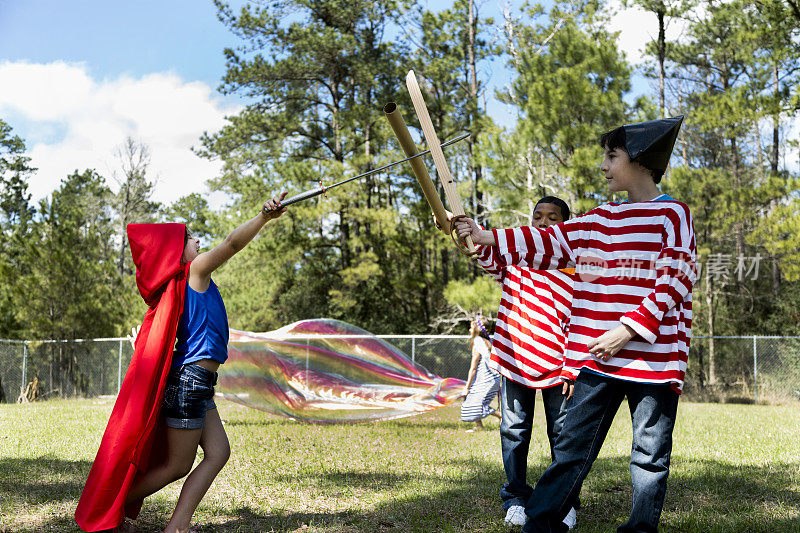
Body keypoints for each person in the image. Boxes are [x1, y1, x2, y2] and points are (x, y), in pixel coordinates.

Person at [454, 116, 696, 533]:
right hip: (598, 360)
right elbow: (547, 241)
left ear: (639, 159)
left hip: (653, 363)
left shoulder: (672, 215)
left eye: (611, 155)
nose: (603, 165)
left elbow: (677, 277)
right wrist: (486, 237)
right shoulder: (599, 220)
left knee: (649, 454)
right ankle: (541, 523)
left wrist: (628, 330)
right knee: (571, 450)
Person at [75, 193, 287, 533]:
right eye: (190, 238)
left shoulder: (183, 284)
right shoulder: (195, 272)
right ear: (177, 251)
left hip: (198, 383)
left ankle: (177, 525)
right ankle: (107, 511)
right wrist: (263, 217)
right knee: (178, 465)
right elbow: (232, 244)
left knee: (218, 453)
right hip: (191, 382)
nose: (198, 240)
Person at [472, 197, 578, 528]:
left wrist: (573, 367)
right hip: (514, 359)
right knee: (514, 429)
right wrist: (460, 228)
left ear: (564, 224)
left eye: (552, 217)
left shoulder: (572, 265)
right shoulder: (515, 258)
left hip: (557, 363)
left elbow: (580, 322)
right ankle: (516, 497)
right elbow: (483, 252)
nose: (543, 222)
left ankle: (563, 502)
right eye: (537, 217)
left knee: (562, 434)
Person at [460, 317, 502, 431]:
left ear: (477, 329)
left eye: (471, 327)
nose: (469, 330)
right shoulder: (489, 341)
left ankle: (501, 416)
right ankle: (479, 426)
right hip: (493, 378)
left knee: (475, 403)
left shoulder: (478, 342)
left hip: (486, 379)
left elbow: (473, 368)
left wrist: (467, 387)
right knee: (473, 400)